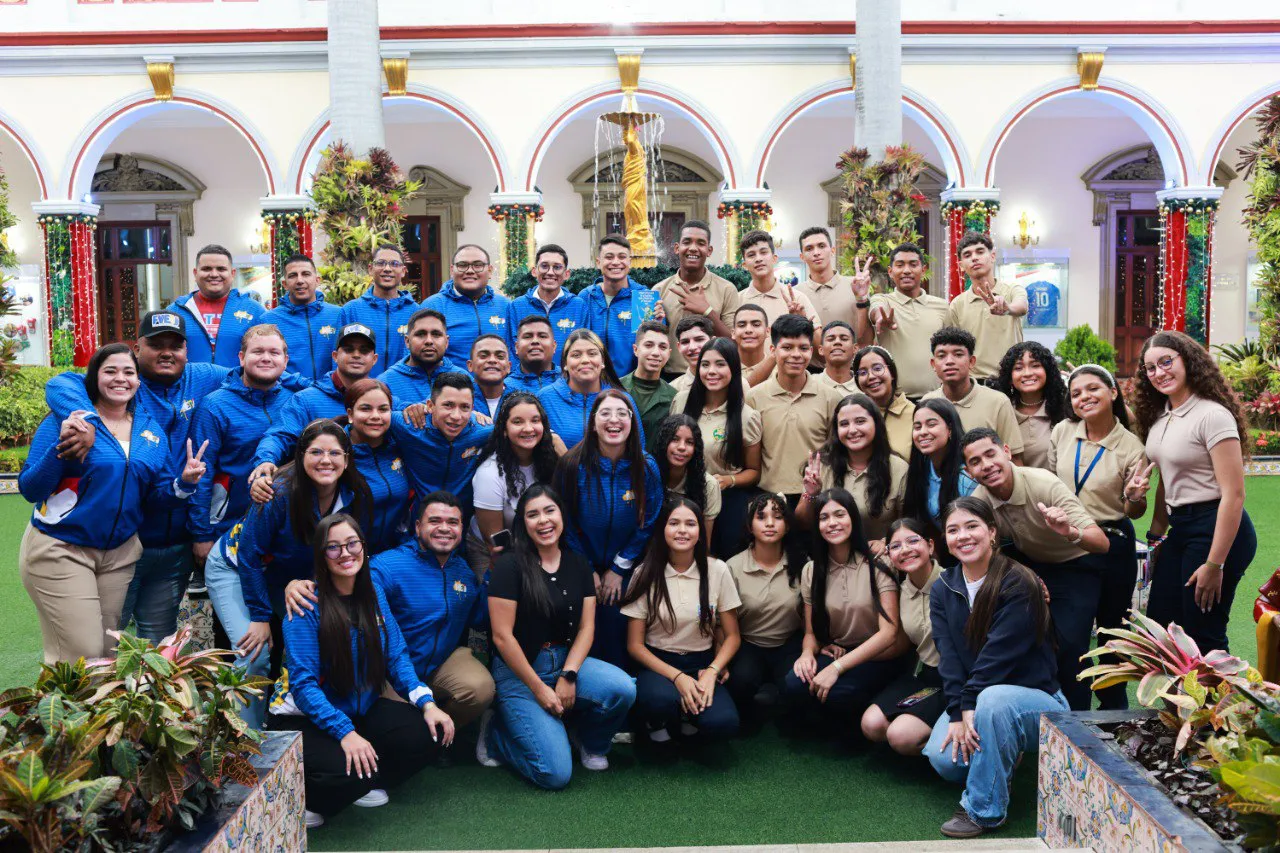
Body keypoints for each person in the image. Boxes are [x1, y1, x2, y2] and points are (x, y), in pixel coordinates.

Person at [42, 311, 231, 640]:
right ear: (137, 348)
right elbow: (61, 383)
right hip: (124, 540)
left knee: (157, 640)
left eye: (175, 345)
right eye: (156, 345)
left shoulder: (203, 376)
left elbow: (255, 371)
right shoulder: (124, 385)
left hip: (176, 543)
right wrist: (88, 420)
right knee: (105, 638)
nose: (166, 352)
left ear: (186, 351)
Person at [19, 343, 205, 663]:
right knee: (82, 653)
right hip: (62, 547)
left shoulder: (151, 431)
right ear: (95, 377)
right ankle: (56, 698)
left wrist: (184, 484)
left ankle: (74, 697)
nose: (120, 378)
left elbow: (155, 497)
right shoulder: (70, 419)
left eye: (129, 372)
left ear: (138, 381)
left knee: (108, 653)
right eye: (110, 371)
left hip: (119, 554)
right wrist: (61, 448)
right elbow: (31, 488)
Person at [268, 514, 453, 829]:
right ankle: (307, 801)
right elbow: (304, 687)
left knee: (428, 732)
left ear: (364, 547)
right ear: (321, 556)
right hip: (301, 719)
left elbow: (396, 656)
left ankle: (365, 780)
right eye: (333, 547)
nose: (345, 553)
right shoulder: (305, 605)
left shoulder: (373, 593)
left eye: (352, 543)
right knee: (349, 772)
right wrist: (345, 733)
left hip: (356, 709)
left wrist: (427, 703)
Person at [208, 420, 371, 728]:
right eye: (316, 452)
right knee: (254, 653)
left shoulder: (353, 493)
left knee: (324, 633)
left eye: (335, 453)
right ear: (300, 455)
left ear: (347, 459)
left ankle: (297, 723)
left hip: (287, 574)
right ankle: (248, 739)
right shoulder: (278, 491)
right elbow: (249, 554)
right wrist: (260, 617)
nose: (326, 460)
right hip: (237, 567)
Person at [926, 497, 1065, 839]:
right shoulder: (943, 587)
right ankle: (1001, 751)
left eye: (972, 526)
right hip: (978, 698)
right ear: (945, 540)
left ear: (991, 532)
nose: (963, 536)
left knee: (994, 702)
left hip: (1038, 701)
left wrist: (969, 703)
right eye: (953, 530)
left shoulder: (1019, 581)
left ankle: (983, 811)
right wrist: (957, 713)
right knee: (946, 761)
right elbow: (949, 657)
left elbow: (999, 656)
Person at [479, 485, 636, 788]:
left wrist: (569, 674)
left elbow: (587, 627)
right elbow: (502, 637)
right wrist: (539, 688)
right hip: (521, 672)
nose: (543, 520)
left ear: (562, 515)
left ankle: (590, 742)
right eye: (533, 514)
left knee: (623, 688)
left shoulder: (578, 564)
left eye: (549, 511)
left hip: (565, 661)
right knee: (555, 774)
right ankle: (497, 734)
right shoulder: (509, 566)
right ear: (523, 523)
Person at [962, 427, 1109, 710]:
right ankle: (1036, 712)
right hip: (1032, 564)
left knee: (1070, 645)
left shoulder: (1043, 483)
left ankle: (1078, 720)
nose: (986, 465)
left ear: (1006, 452)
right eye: (975, 462)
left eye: (991, 454)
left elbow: (1101, 543)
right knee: (1030, 640)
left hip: (1077, 563)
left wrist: (1068, 530)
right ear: (968, 472)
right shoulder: (980, 502)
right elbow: (988, 551)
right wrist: (1027, 576)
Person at [1134, 330, 1256, 655]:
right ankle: (1177, 692)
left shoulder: (1212, 415)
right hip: (1181, 528)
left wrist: (1215, 564)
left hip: (1216, 526)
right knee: (1161, 626)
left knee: (1203, 634)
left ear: (1187, 360)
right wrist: (1155, 538)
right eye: (1150, 368)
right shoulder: (1161, 417)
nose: (1159, 373)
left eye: (1166, 362)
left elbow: (1234, 494)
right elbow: (1166, 480)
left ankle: (1221, 691)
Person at [1050, 364, 1149, 710]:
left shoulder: (1131, 446)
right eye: (1076, 393)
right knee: (1071, 635)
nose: (1084, 397)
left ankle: (1113, 711)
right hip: (1070, 542)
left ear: (1113, 392)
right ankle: (1075, 712)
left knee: (1111, 634)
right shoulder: (1062, 431)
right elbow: (1049, 481)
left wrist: (1134, 497)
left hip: (1113, 543)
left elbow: (1134, 510)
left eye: (1093, 389)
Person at [367, 492, 495, 729]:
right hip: (389, 671)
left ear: (461, 529)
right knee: (406, 730)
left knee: (480, 689)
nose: (444, 528)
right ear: (418, 527)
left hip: (437, 665)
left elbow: (479, 619)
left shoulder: (463, 572)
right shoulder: (387, 566)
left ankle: (443, 734)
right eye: (435, 521)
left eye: (452, 522)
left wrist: (492, 574)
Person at [555, 389, 662, 669]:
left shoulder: (647, 467)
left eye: (621, 413)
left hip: (626, 565)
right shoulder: (572, 465)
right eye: (605, 413)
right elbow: (564, 523)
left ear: (632, 422)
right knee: (579, 614)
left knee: (615, 617)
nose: (613, 420)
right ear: (593, 423)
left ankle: (621, 685)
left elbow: (649, 521)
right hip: (580, 562)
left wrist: (618, 569)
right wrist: (587, 568)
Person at [622, 497, 742, 742]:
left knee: (724, 723)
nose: (682, 530)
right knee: (660, 701)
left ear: (700, 531)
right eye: (674, 523)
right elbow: (634, 645)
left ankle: (687, 715)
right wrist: (677, 677)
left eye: (690, 524)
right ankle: (659, 720)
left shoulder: (717, 570)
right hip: (658, 664)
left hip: (702, 663)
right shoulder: (644, 573)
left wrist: (712, 671)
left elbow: (733, 637)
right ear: (662, 529)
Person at [783, 488, 903, 728]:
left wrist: (837, 668)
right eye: (824, 517)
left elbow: (889, 633)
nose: (832, 523)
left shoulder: (878, 562)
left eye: (840, 515)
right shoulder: (811, 570)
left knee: (840, 693)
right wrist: (807, 654)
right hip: (840, 650)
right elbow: (810, 632)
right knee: (794, 683)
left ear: (853, 519)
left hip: (877, 654)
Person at [255, 379, 413, 556]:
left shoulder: (402, 444)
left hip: (390, 557)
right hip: (341, 558)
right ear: (350, 414)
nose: (375, 416)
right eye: (365, 409)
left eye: (383, 409)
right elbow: (283, 445)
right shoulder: (333, 453)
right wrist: (264, 465)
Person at [188, 325, 294, 580]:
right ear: (241, 357)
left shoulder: (295, 401)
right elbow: (201, 474)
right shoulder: (215, 405)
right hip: (228, 529)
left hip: (284, 531)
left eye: (274, 352)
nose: (266, 358)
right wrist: (201, 534)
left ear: (285, 360)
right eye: (258, 351)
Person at [861, 518, 946, 756]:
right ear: (889, 554)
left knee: (900, 735)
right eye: (896, 546)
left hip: (957, 679)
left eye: (912, 541)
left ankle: (952, 754)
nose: (905, 550)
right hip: (924, 676)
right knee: (871, 724)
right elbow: (897, 641)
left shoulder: (953, 583)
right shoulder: (901, 591)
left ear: (930, 545)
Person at [250, 323, 379, 477]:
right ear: (335, 356)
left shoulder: (381, 400)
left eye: (364, 350)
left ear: (374, 359)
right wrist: (266, 460)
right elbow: (280, 435)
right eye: (348, 349)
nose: (356, 355)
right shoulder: (306, 400)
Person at [674, 337, 763, 557]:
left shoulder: (747, 416)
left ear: (733, 368)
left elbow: (754, 472)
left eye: (720, 364)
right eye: (705, 364)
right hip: (682, 496)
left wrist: (728, 480)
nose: (711, 371)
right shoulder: (681, 401)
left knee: (719, 563)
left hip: (727, 503)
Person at [746, 315, 843, 505]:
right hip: (768, 498)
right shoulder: (754, 398)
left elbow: (837, 454)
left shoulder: (831, 398)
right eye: (787, 347)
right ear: (773, 350)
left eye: (803, 348)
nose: (796, 354)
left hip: (818, 496)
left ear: (811, 351)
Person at [725, 493, 804, 713]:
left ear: (787, 526)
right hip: (747, 643)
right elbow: (722, 625)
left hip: (789, 643)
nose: (770, 523)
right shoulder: (731, 567)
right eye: (761, 517)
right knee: (740, 681)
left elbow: (810, 618)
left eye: (777, 517)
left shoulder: (802, 564)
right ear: (750, 526)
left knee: (799, 685)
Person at [467, 392, 560, 579]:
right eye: (517, 422)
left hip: (538, 542)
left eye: (535, 420)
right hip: (492, 551)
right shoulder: (489, 473)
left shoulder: (551, 456)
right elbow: (497, 543)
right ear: (504, 429)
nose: (528, 428)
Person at [798, 393, 909, 544]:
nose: (852, 430)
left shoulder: (898, 468)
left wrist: (885, 543)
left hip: (880, 555)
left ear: (876, 423)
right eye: (844, 424)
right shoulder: (822, 466)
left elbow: (909, 524)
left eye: (860, 421)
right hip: (833, 554)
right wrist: (812, 494)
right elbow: (803, 524)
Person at [389, 372, 493, 505]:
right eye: (448, 405)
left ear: (472, 408)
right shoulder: (408, 426)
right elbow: (377, 403)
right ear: (430, 405)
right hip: (419, 514)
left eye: (464, 407)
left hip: (464, 516)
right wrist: (405, 407)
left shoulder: (485, 431)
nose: (456, 416)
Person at [921, 327, 1024, 461]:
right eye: (941, 356)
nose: (949, 361)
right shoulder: (927, 403)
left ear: (971, 362)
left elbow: (1014, 458)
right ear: (933, 364)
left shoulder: (998, 402)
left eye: (958, 354)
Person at [860, 243, 948, 398]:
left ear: (923, 270)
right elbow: (876, 309)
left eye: (913, 264)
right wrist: (880, 318)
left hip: (936, 400)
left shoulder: (942, 306)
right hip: (893, 400)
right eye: (900, 265)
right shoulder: (883, 300)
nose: (906, 270)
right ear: (890, 272)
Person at [655, 220, 741, 375]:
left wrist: (707, 311)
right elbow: (649, 339)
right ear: (677, 248)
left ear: (709, 250)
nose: (693, 248)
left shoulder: (727, 289)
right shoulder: (659, 290)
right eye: (687, 242)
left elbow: (733, 342)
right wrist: (657, 322)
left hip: (713, 374)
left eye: (700, 243)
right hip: (670, 377)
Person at [944, 232, 1028, 381]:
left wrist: (1007, 309)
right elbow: (953, 347)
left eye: (980, 252)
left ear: (992, 256)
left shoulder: (1012, 290)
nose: (974, 258)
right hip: (974, 383)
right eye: (967, 255)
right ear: (961, 265)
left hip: (1011, 380)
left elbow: (1022, 306)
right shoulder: (957, 304)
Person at [169, 243, 266, 368]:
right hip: (189, 381)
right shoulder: (175, 311)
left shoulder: (254, 311)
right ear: (195, 273)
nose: (214, 274)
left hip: (239, 381)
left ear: (232, 273)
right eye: (206, 269)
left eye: (221, 269)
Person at [901, 398, 979, 549]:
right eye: (917, 427)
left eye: (931, 424)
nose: (923, 432)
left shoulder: (968, 475)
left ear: (950, 429)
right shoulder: (922, 468)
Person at [537, 328, 633, 450]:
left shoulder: (623, 399)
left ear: (603, 361)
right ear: (565, 363)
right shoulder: (545, 398)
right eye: (576, 355)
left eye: (592, 354)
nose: (585, 360)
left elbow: (638, 451)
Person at [581, 234, 659, 375]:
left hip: (631, 383)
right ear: (598, 262)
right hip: (592, 381)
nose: (616, 262)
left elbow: (654, 345)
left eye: (622, 257)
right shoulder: (586, 297)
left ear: (630, 262)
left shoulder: (643, 298)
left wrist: (658, 323)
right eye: (609, 257)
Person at [338, 243, 420, 379]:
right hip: (361, 388)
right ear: (370, 269)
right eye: (381, 263)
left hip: (403, 388)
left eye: (394, 264)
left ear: (403, 271)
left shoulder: (416, 312)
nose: (387, 269)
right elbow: (338, 358)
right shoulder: (351, 310)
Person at [422, 244, 511, 366]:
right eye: (462, 265)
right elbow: (420, 356)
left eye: (478, 265)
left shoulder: (506, 306)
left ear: (490, 271)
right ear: (452, 270)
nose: (470, 271)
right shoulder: (433, 306)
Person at [261, 254, 344, 381]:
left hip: (332, 390)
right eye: (293, 275)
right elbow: (265, 363)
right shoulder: (268, 321)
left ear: (317, 280)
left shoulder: (338, 315)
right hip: (287, 392)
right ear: (284, 284)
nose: (299, 280)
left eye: (306, 274)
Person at [504, 244, 586, 367]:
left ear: (566, 274)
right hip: (526, 378)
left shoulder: (578, 306)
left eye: (557, 267)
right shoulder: (517, 306)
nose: (550, 272)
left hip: (566, 377)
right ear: (534, 271)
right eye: (544, 266)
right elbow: (512, 348)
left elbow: (583, 347)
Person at [994, 341, 1068, 471]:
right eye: (1018, 368)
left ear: (1047, 371)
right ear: (1010, 377)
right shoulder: (1000, 411)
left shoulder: (1066, 409)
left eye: (1035, 365)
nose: (1027, 373)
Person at [738, 230, 820, 336]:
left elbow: (819, 341)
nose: (758, 259)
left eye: (763, 252)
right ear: (744, 265)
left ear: (774, 258)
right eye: (751, 255)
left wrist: (803, 323)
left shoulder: (797, 299)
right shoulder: (737, 300)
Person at [655, 413, 720, 545]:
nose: (682, 447)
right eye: (675, 439)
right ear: (663, 443)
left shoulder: (709, 485)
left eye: (689, 442)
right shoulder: (649, 476)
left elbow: (704, 543)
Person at [380, 309, 461, 406]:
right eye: (421, 334)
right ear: (407, 341)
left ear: (446, 342)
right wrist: (405, 411)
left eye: (436, 334)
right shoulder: (386, 382)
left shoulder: (463, 379)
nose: (429, 341)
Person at [620, 320, 677, 456]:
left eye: (662, 347)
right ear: (635, 349)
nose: (656, 352)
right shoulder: (616, 388)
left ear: (669, 353)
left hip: (657, 466)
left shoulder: (674, 397)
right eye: (649, 345)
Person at [852, 345, 913, 460]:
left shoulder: (915, 414)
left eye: (877, 368)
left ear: (892, 373)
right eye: (863, 372)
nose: (871, 376)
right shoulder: (853, 414)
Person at [796, 226, 857, 329]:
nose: (816, 253)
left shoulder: (855, 285)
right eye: (809, 249)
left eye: (821, 246)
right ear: (802, 257)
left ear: (833, 251)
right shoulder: (797, 294)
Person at [504, 315, 561, 395]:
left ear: (554, 346)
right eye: (527, 337)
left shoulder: (568, 381)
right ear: (516, 347)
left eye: (542, 336)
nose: (535, 341)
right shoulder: (505, 388)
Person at [468, 334, 512, 418]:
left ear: (509, 367)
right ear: (470, 365)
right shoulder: (458, 400)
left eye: (500, 356)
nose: (492, 360)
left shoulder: (521, 400)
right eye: (483, 356)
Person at [668, 315, 714, 392]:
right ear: (679, 347)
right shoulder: (672, 390)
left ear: (713, 341)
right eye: (685, 342)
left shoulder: (732, 382)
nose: (692, 347)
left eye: (699, 339)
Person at [731, 303, 771, 385]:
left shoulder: (779, 370)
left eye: (756, 325)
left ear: (767, 331)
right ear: (733, 333)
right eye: (742, 325)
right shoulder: (722, 369)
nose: (748, 330)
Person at [816, 321, 859, 395]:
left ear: (855, 348)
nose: (837, 342)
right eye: (831, 339)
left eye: (844, 339)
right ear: (821, 350)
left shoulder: (864, 386)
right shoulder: (809, 384)